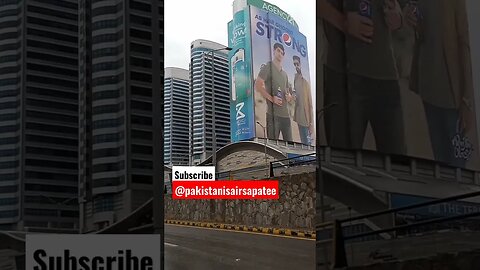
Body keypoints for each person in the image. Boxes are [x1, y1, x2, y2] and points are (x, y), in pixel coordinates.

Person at [405, 0, 474, 166]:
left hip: (453, 96)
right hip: (429, 88)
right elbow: (421, 30)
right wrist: (410, 16)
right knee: (441, 164)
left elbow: (465, 43)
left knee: (457, 167)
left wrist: (467, 99)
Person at [344, 0, 407, 154]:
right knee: (344, 162)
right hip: (348, 76)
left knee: (397, 163)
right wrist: (343, 20)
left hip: (387, 76)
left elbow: (404, 11)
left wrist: (399, 19)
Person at [254, 43, 294, 141]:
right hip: (273, 116)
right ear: (274, 51)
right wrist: (272, 98)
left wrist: (289, 97)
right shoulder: (268, 67)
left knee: (291, 146)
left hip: (286, 117)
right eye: (278, 51)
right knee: (273, 147)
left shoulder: (284, 74)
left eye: (282, 52)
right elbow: (257, 85)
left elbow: (288, 92)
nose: (280, 54)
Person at [292, 55, 314, 145]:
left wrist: (311, 123)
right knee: (303, 144)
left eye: (297, 64)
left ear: (300, 64)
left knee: (307, 144)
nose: (296, 66)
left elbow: (310, 104)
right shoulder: (295, 78)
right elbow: (295, 95)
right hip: (298, 116)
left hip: (306, 119)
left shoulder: (305, 81)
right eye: (294, 64)